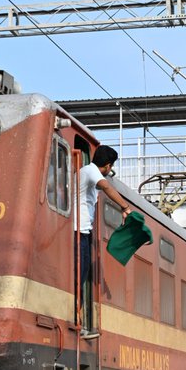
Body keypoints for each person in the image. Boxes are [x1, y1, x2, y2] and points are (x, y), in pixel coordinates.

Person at [76, 145, 131, 338]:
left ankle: (79, 320)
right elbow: (107, 187)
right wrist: (125, 207)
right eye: (111, 167)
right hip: (79, 231)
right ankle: (78, 322)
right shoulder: (91, 171)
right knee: (79, 277)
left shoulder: (84, 173)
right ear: (108, 166)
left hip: (83, 230)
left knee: (81, 275)